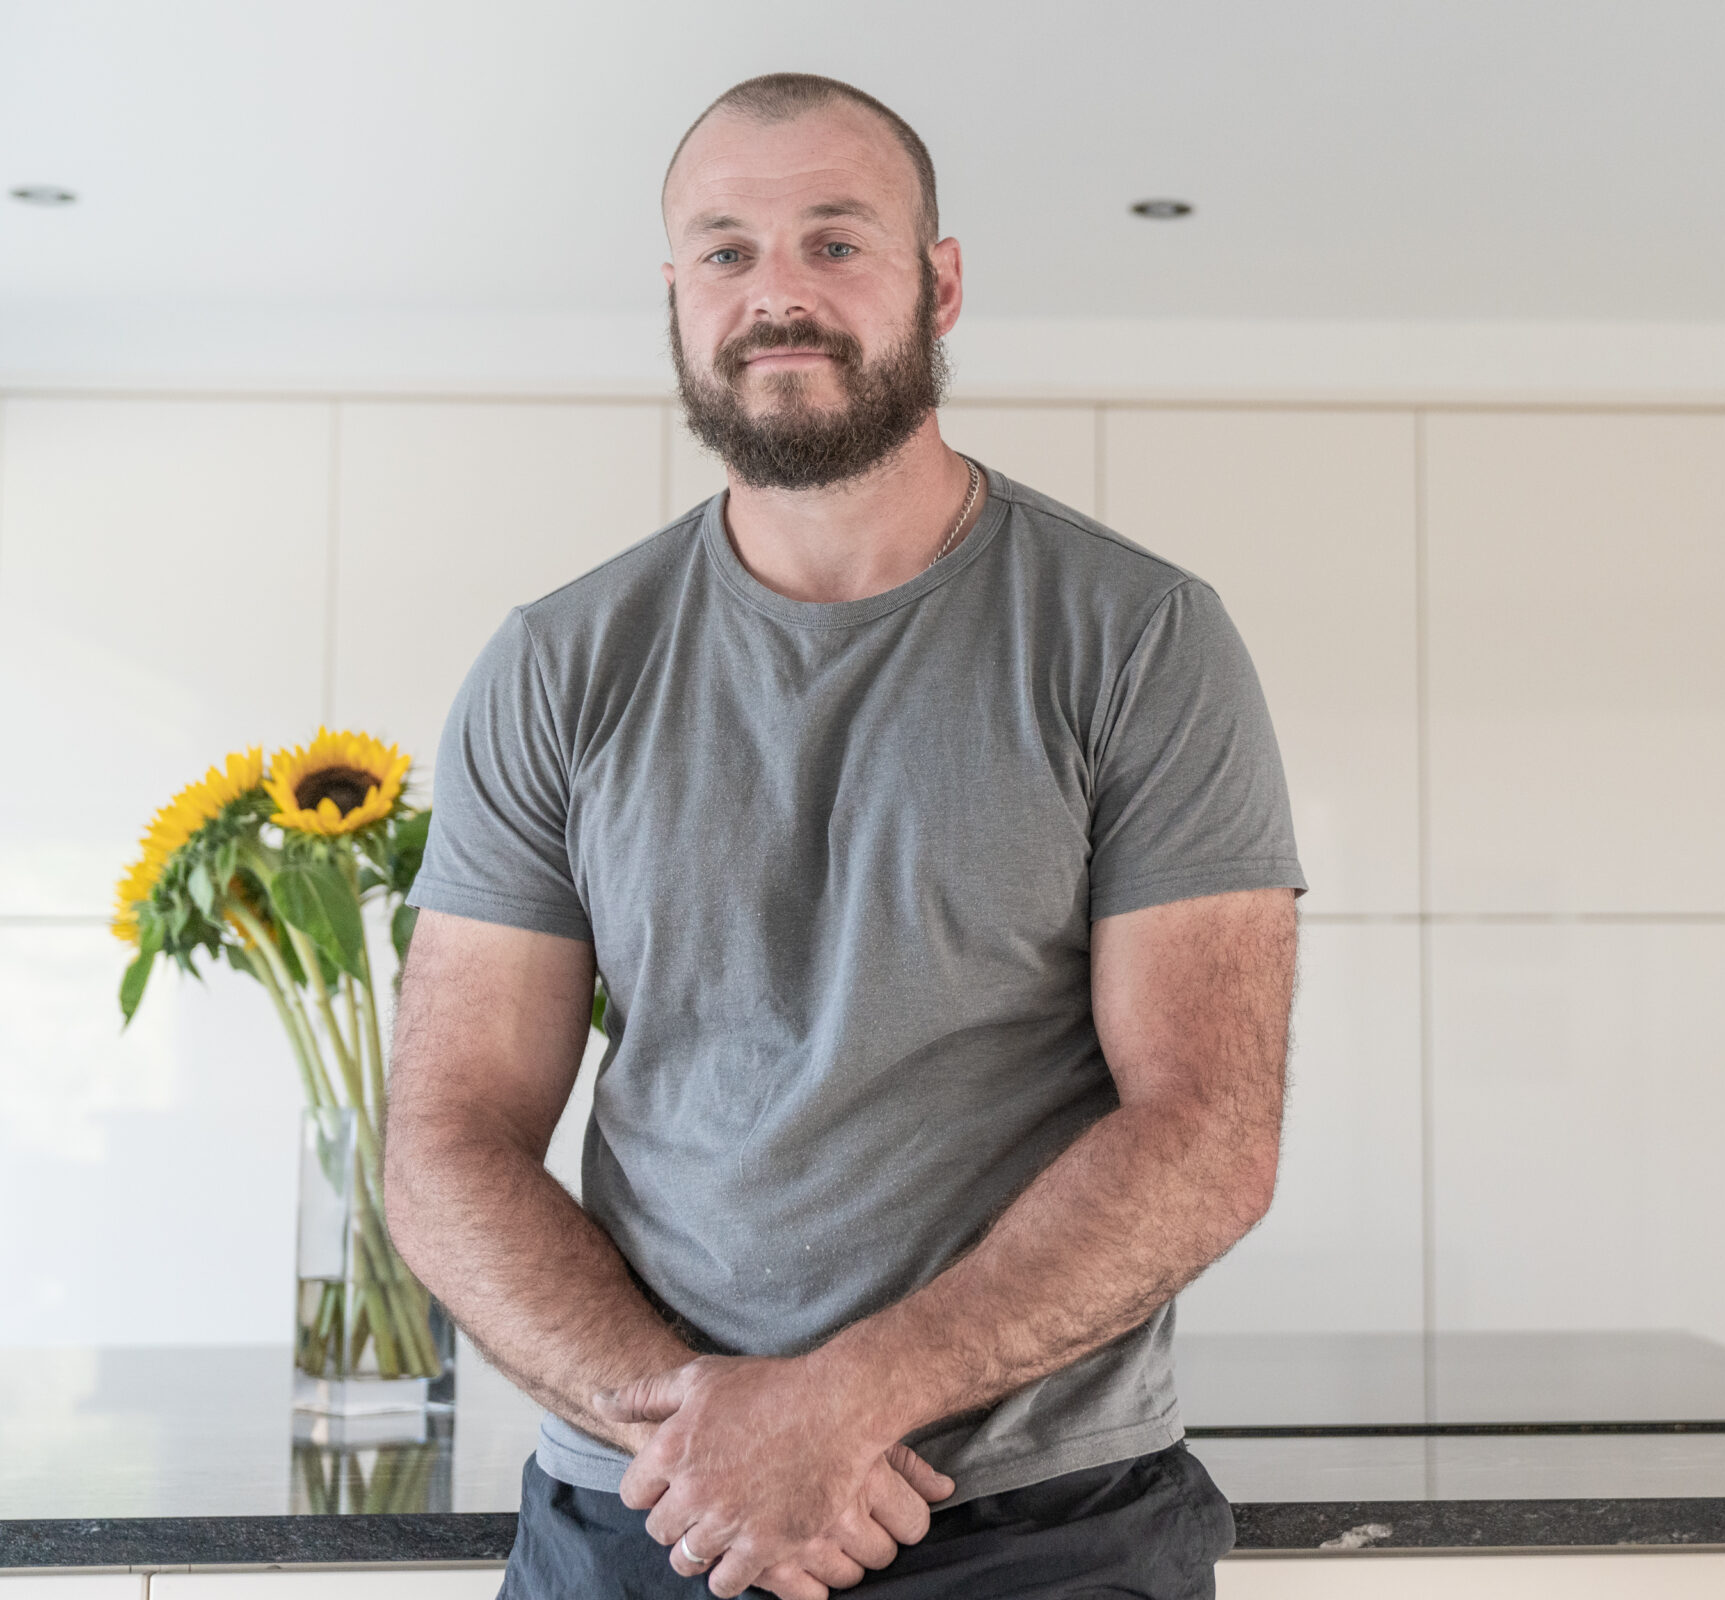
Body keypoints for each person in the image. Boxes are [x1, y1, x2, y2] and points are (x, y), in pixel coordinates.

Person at [383, 71, 1302, 1600]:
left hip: (1043, 1528)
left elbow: (1206, 1129)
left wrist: (846, 1403)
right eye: (726, 251)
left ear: (938, 282)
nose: (777, 295)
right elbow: (445, 1138)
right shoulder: (556, 664)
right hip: (643, 1511)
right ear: (676, 295)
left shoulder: (1141, 639)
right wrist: (698, 1433)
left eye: (835, 241)